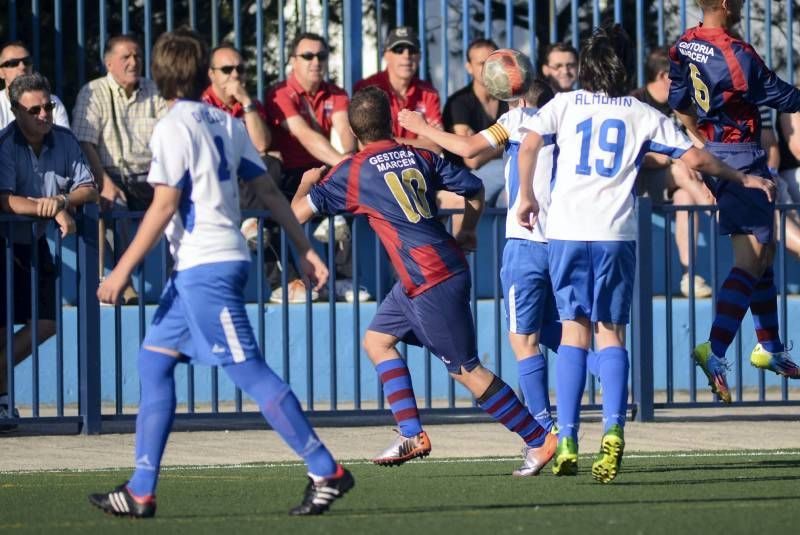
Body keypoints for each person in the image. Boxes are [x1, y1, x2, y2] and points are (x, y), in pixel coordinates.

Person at [88, 30, 353, 518]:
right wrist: (304, 248)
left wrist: (121, 269)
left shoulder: (172, 126)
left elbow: (165, 204)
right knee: (153, 363)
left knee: (247, 369)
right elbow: (271, 195)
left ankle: (325, 468)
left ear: (161, 74)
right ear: (201, 74)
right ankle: (141, 489)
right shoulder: (227, 124)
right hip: (198, 268)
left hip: (205, 268)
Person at [516, 25, 775, 482]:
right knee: (610, 333)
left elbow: (531, 142)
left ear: (587, 68)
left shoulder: (564, 104)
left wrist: (526, 198)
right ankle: (614, 432)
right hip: (616, 233)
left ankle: (569, 437)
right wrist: (742, 179)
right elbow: (695, 158)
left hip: (567, 232)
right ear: (625, 66)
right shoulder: (640, 113)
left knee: (574, 333)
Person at [291, 86, 550, 472]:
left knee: (466, 370)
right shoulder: (419, 155)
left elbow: (295, 214)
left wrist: (306, 182)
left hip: (430, 278)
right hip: (428, 273)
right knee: (377, 340)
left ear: (351, 128)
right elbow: (474, 187)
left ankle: (540, 439)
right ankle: (410, 432)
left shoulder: (352, 171)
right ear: (392, 118)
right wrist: (468, 231)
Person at [399, 77, 565, 476]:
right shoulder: (569, 117)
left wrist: (421, 127)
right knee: (558, 330)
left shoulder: (517, 118)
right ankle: (607, 377)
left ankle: (543, 431)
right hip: (565, 241)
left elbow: (469, 151)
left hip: (526, 242)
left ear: (520, 97)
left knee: (522, 340)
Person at [669, 0, 800, 403]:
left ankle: (770, 347)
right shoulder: (737, 53)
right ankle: (716, 348)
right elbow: (784, 98)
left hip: (720, 152)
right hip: (739, 155)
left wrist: (701, 142)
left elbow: (679, 103)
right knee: (750, 259)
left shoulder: (684, 43)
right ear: (726, 4)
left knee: (765, 250)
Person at [0, 73, 97, 428]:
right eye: (34, 109)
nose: (43, 115)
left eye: (48, 107)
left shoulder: (66, 140)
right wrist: (50, 208)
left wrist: (60, 200)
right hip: (5, 241)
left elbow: (89, 188)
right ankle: (4, 405)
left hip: (34, 241)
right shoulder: (5, 144)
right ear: (15, 111)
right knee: (2, 327)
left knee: (46, 323)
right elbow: (3, 199)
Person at [73, 34, 169, 304]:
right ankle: (121, 280)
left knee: (182, 202)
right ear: (109, 63)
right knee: (115, 205)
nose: (133, 62)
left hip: (150, 175)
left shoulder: (153, 89)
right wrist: (104, 181)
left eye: (137, 55)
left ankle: (179, 278)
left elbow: (168, 136)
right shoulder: (93, 92)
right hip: (111, 172)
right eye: (125, 56)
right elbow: (84, 141)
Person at [267, 32, 361, 303]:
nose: (315, 61)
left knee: (347, 180)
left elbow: (344, 128)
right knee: (269, 211)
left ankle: (343, 279)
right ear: (293, 61)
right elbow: (302, 134)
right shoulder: (280, 93)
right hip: (288, 173)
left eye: (321, 55)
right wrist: (344, 162)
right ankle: (287, 283)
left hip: (324, 169)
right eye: (307, 55)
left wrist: (346, 159)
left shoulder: (337, 93)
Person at [631, 47, 715, 298]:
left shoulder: (683, 102)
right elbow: (633, 154)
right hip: (640, 181)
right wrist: (670, 160)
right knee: (679, 169)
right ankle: (718, 211)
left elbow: (698, 145)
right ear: (663, 76)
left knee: (685, 198)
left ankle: (689, 276)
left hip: (678, 182)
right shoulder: (636, 102)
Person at [200, 43, 283, 249]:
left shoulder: (251, 105)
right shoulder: (201, 103)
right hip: (216, 180)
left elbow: (262, 143)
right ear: (212, 74)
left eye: (240, 69)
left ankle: (252, 225)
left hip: (246, 181)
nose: (235, 75)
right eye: (227, 70)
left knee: (270, 163)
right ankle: (285, 280)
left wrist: (246, 101)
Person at [354, 27, 444, 153]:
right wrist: (423, 140)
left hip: (416, 169)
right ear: (386, 55)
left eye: (412, 50)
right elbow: (366, 145)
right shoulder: (367, 89)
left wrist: (385, 141)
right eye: (399, 50)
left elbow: (437, 146)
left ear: (419, 57)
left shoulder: (429, 93)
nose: (406, 56)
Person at [442, 38, 508, 207]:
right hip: (465, 177)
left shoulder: (509, 99)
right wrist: (508, 141)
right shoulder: (459, 102)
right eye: (481, 63)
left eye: (492, 62)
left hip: (496, 177)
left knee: (508, 197)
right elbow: (472, 159)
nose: (488, 68)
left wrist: (481, 143)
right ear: (469, 67)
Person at [0, 41, 69, 129]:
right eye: (13, 63)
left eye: (27, 61)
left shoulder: (53, 103)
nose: (22, 67)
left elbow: (63, 141)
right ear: (1, 72)